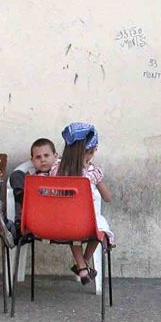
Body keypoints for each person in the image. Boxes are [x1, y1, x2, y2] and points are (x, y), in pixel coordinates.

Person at [50, 122, 114, 285]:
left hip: (56, 222)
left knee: (74, 229)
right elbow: (108, 197)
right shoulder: (93, 172)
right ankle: (84, 262)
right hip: (85, 223)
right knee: (100, 226)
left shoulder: (56, 168)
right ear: (90, 151)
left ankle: (82, 267)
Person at [8, 138, 57, 231]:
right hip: (34, 209)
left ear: (55, 156)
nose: (43, 160)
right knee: (16, 175)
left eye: (46, 155)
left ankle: (16, 227)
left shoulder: (60, 171)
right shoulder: (31, 176)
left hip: (55, 210)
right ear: (32, 160)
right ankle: (19, 223)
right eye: (38, 157)